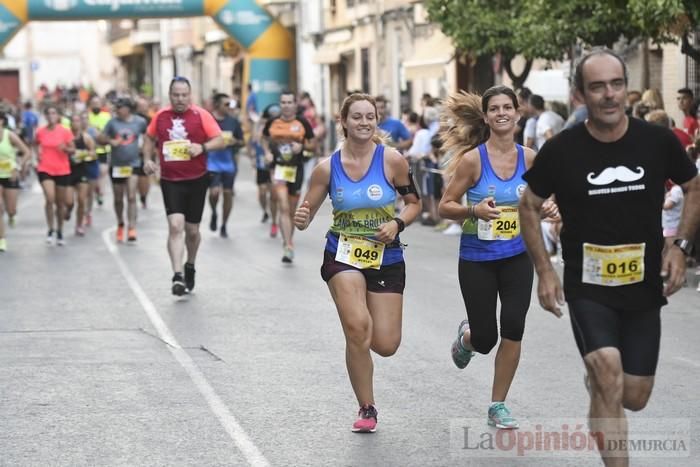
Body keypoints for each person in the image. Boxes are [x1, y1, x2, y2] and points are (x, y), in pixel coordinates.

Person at [518, 48, 700, 466]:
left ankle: (600, 386)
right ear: (581, 94)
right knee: (608, 368)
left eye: (616, 84)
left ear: (626, 88)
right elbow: (528, 206)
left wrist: (679, 246)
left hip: (641, 283)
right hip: (588, 282)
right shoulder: (562, 150)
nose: (609, 94)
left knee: (633, 395)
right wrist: (545, 272)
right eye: (597, 86)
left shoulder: (656, 141)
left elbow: (693, 187)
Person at [293, 93, 421, 433]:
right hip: (343, 253)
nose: (364, 122)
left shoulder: (392, 161)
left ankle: (368, 382)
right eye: (357, 117)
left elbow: (413, 203)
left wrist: (398, 223)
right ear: (344, 122)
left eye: (370, 117)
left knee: (385, 344)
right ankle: (367, 407)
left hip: (386, 256)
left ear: (376, 121)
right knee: (357, 328)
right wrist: (301, 218)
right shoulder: (326, 169)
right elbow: (305, 215)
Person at [438, 87, 558, 430]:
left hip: (518, 255)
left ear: (518, 114)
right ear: (487, 116)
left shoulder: (531, 158)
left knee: (514, 327)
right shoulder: (473, 160)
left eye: (508, 107)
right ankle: (467, 338)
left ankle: (498, 404)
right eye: (495, 109)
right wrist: (472, 210)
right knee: (486, 338)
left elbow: (543, 201)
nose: (502, 113)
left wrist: (548, 207)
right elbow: (445, 205)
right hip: (477, 258)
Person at [143, 77, 225, 295]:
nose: (180, 99)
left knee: (192, 231)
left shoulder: (201, 115)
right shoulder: (160, 116)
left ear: (190, 95)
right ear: (170, 95)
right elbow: (149, 138)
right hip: (170, 180)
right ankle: (177, 275)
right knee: (175, 226)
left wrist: (202, 147)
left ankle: (190, 265)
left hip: (197, 178)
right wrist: (147, 159)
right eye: (176, 95)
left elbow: (220, 140)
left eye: (184, 95)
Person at [262, 90, 315, 263]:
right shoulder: (273, 121)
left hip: (296, 169)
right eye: (283, 102)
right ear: (280, 104)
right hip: (278, 169)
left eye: (289, 102)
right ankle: (288, 245)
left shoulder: (302, 122)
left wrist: (303, 148)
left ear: (295, 104)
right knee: (283, 206)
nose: (286, 106)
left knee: (292, 210)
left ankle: (288, 240)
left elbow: (313, 145)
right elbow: (263, 138)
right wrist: (267, 152)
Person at [100, 98, 148, 243]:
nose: (117, 110)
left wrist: (145, 153)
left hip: (133, 164)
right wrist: (110, 141)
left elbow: (148, 137)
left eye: (120, 107)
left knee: (132, 196)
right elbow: (100, 138)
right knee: (118, 198)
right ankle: (121, 223)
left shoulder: (140, 122)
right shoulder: (112, 122)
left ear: (128, 109)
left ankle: (132, 227)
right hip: (116, 165)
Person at [35, 105, 75, 246]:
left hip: (62, 170)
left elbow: (73, 150)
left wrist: (66, 149)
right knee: (50, 198)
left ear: (58, 116)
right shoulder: (40, 132)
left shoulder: (65, 131)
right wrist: (37, 155)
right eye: (49, 113)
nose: (51, 115)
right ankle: (50, 229)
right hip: (45, 168)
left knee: (60, 203)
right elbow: (35, 144)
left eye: (54, 113)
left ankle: (60, 231)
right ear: (45, 116)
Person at [207, 93, 243, 238]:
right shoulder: (209, 119)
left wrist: (235, 141)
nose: (230, 107)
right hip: (211, 162)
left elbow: (242, 141)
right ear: (217, 105)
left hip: (228, 163)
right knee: (214, 192)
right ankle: (214, 212)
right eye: (226, 104)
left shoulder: (233, 121)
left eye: (231, 104)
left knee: (228, 194)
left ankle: (224, 225)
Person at [0, 112, 31, 251]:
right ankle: (2, 239)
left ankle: (12, 216)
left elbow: (26, 152)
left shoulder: (9, 135)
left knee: (11, 209)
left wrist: (18, 167)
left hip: (10, 175)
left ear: (1, 121)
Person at [65, 113, 95, 236]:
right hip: (67, 172)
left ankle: (79, 225)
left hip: (82, 171)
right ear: (70, 123)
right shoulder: (66, 137)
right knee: (69, 201)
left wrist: (83, 155)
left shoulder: (86, 138)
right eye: (74, 121)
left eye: (78, 121)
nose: (76, 123)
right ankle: (68, 210)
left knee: (82, 200)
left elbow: (93, 153)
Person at [255, 103, 280, 233]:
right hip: (261, 162)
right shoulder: (262, 126)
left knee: (273, 193)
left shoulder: (281, 126)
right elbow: (256, 140)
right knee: (262, 190)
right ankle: (265, 210)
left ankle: (274, 221)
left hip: (274, 163)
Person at [88, 96, 112, 206]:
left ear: (101, 105)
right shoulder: (87, 117)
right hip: (90, 150)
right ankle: (97, 190)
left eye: (97, 103)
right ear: (90, 105)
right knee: (95, 174)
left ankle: (100, 192)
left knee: (103, 171)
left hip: (104, 149)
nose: (96, 105)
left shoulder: (107, 116)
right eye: (93, 103)